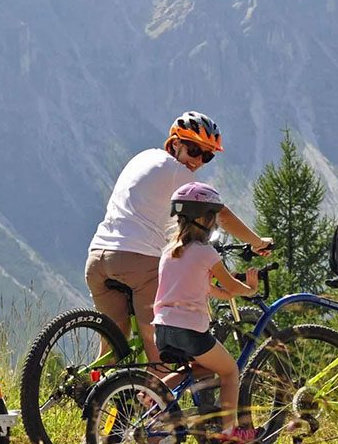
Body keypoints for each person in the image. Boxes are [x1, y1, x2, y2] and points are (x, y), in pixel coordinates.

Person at [86, 111, 270, 363]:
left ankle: (92, 393)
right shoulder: (177, 171)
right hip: (136, 261)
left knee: (113, 343)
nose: (199, 161)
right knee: (158, 352)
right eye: (194, 150)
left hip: (98, 258)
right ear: (175, 144)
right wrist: (256, 241)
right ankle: (154, 395)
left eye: (207, 155)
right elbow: (220, 214)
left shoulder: (144, 157)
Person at [152, 182, 259, 444]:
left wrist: (229, 293)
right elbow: (231, 286)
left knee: (197, 368)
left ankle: (156, 393)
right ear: (204, 219)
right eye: (213, 218)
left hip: (163, 329)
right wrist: (250, 289)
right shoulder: (205, 252)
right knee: (230, 372)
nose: (215, 224)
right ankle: (229, 432)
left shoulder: (169, 252)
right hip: (190, 331)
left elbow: (210, 289)